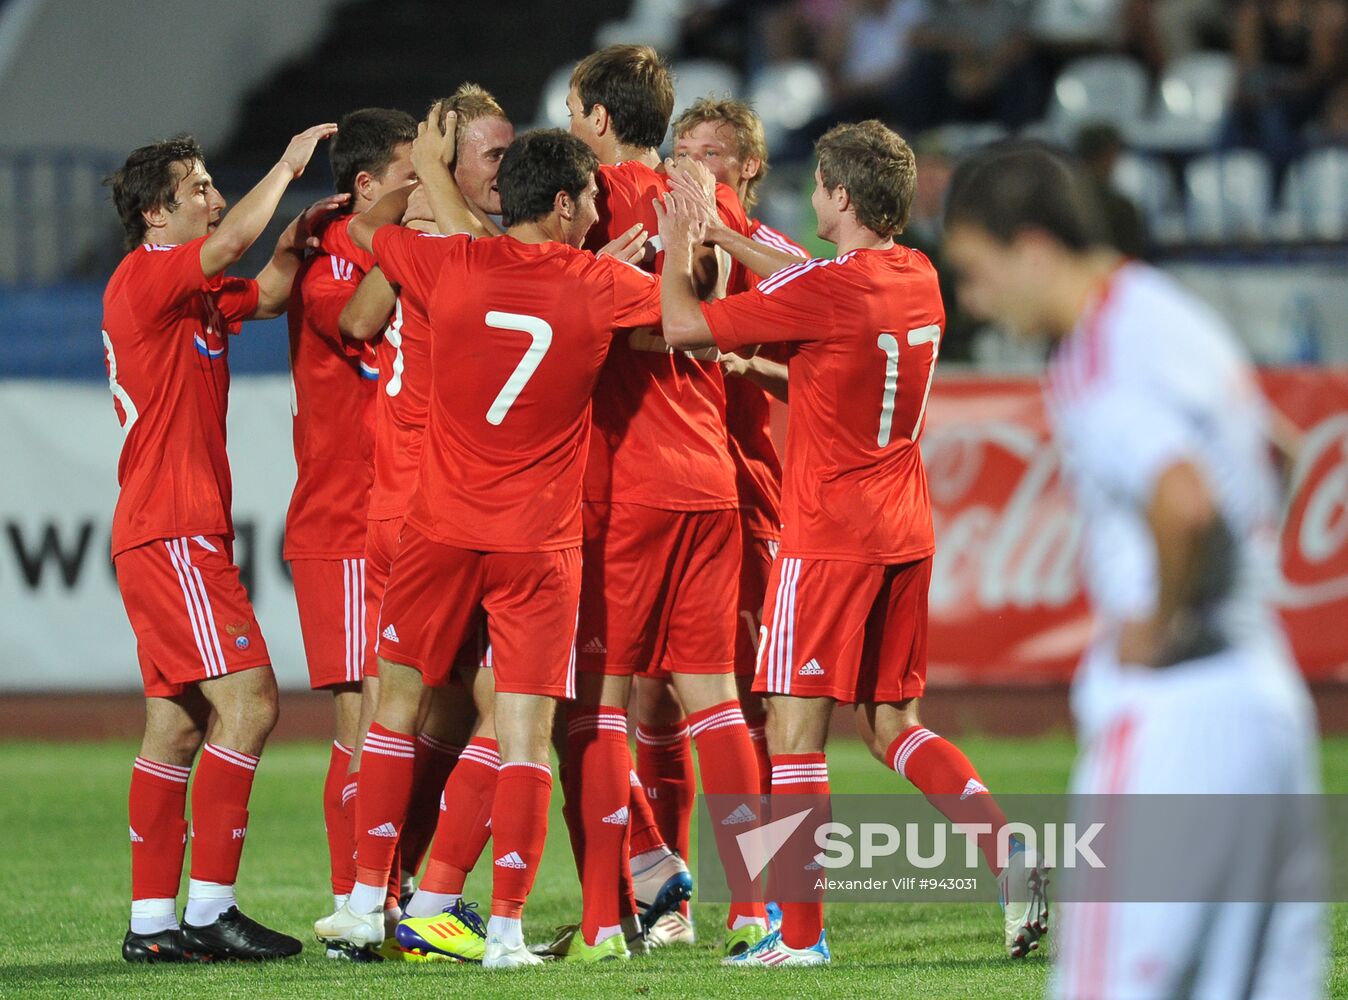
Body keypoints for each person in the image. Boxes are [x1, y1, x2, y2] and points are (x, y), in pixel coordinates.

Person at [942, 142, 1326, 999]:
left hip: (1177, 716)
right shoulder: (1166, 310)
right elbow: (1282, 450)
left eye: (975, 271)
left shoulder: (1099, 353)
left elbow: (1184, 504)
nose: (975, 301)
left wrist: (1154, 633)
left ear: (1033, 249)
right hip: (1265, 703)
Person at [657, 120, 1044, 968]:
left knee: (793, 733)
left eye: (820, 187)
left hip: (829, 534)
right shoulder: (915, 274)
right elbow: (823, 303)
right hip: (905, 525)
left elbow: (686, 327)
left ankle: (799, 939)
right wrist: (729, 235)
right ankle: (1005, 848)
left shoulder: (829, 291)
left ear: (838, 195)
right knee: (893, 724)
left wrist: (684, 238)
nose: (812, 197)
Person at [314, 126, 665, 970]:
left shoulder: (448, 266)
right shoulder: (597, 280)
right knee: (523, 735)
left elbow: (370, 238)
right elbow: (683, 318)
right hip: (539, 545)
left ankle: (367, 903)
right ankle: (505, 929)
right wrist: (685, 248)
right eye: (585, 203)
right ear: (562, 203)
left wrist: (410, 185)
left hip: (439, 530)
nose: (592, 216)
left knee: (393, 712)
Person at [104, 123, 341, 962]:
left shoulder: (188, 292)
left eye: (211, 184)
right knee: (252, 703)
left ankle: (151, 928)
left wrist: (292, 241)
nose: (211, 197)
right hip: (173, 530)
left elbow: (268, 291)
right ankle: (209, 910)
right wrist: (283, 169)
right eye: (197, 188)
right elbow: (232, 241)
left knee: (175, 729)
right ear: (155, 219)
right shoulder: (145, 279)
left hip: (165, 529)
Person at [563, 43, 770, 960]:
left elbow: (573, 306)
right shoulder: (707, 197)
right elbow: (722, 303)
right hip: (708, 477)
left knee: (602, 707)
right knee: (714, 705)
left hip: (624, 482)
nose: (573, 125)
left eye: (576, 110)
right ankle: (761, 912)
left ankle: (613, 919)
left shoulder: (589, 198)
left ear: (601, 118)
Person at [326, 88, 517, 962]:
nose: (505, 174)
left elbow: (358, 319)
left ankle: (375, 898)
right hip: (439, 511)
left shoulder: (422, 249)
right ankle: (432, 899)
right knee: (507, 714)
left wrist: (397, 242)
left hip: (413, 504)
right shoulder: (483, 251)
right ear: (452, 159)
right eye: (491, 157)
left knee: (418, 709)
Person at [629, 96, 807, 949]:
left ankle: (769, 891)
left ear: (750, 169)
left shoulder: (774, 257)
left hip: (751, 495)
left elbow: (826, 368)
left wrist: (746, 361)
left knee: (752, 702)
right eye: (685, 149)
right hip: (680, 487)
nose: (696, 163)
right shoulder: (661, 237)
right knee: (656, 699)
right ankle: (669, 895)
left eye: (717, 154)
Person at [282, 107, 417, 945]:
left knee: (415, 715)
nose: (424, 186)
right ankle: (356, 904)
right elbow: (357, 321)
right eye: (412, 173)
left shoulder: (386, 247)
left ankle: (397, 896)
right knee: (363, 718)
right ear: (367, 186)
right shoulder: (325, 260)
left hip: (405, 517)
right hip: (341, 522)